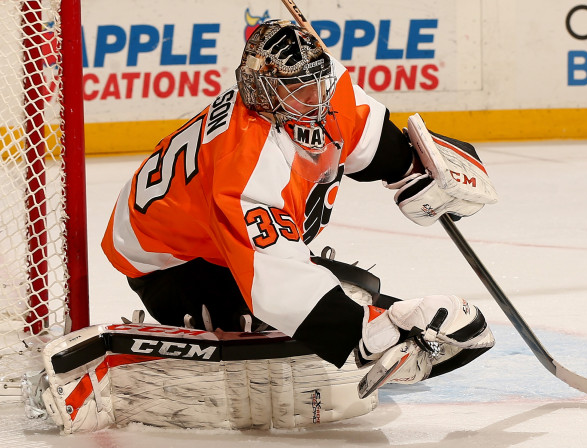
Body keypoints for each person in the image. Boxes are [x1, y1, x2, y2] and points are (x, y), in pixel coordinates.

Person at [100, 20, 497, 388]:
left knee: (360, 291)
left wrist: (411, 165)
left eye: (316, 83)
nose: (314, 98)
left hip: (208, 237)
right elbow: (278, 286)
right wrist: (371, 335)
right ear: (261, 93)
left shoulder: (323, 89)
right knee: (338, 308)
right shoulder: (245, 163)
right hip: (173, 266)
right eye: (297, 90)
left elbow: (364, 134)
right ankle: (214, 326)